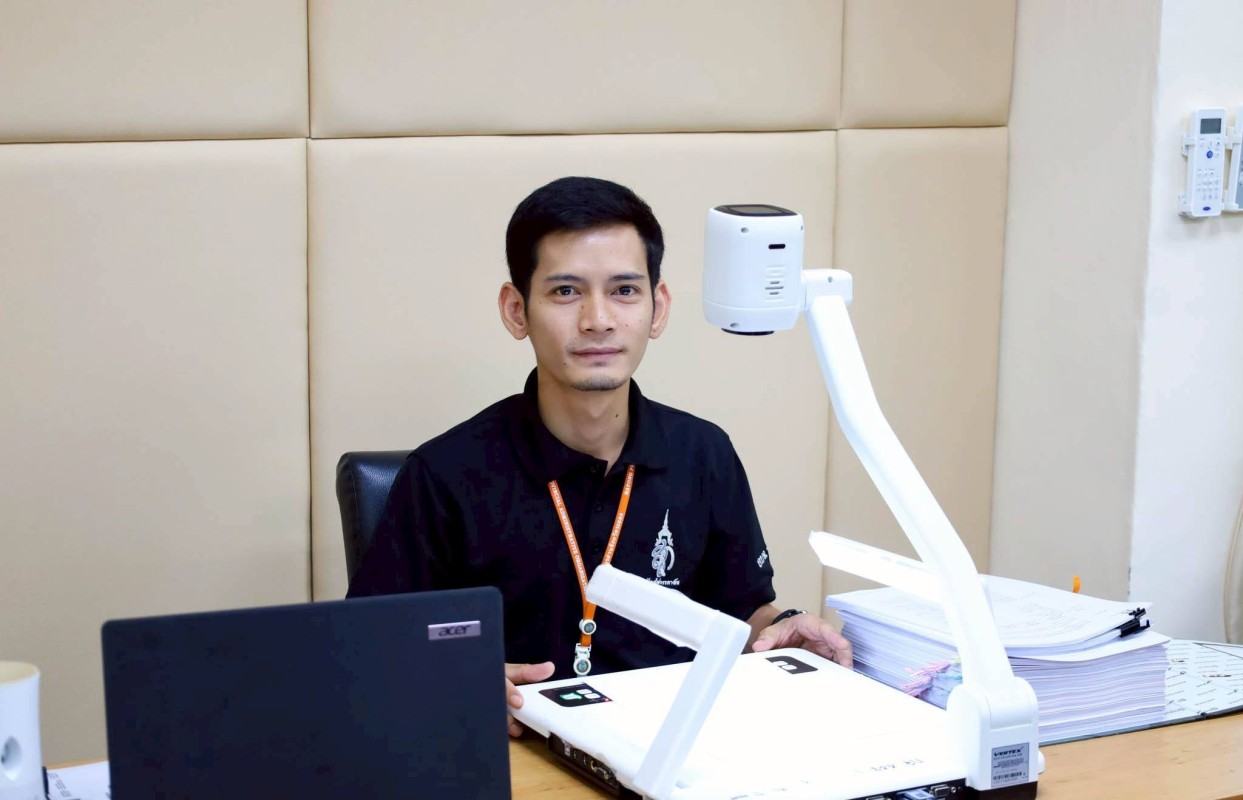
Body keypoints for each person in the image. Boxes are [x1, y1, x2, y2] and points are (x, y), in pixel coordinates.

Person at [348, 176, 852, 736]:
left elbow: (742, 610)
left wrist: (785, 628)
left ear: (658, 308)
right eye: (566, 291)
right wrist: (454, 679)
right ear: (516, 311)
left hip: (667, 747)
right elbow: (373, 647)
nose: (598, 320)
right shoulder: (444, 474)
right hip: (515, 748)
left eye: (625, 290)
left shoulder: (703, 453)